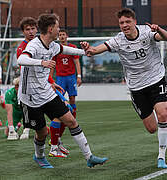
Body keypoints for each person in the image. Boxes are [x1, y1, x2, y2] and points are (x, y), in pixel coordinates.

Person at [84, 8, 167, 169]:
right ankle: (153, 110)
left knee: (163, 112)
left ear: (134, 21)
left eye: (127, 22)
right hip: (136, 87)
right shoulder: (118, 40)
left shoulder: (147, 32)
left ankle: (161, 156)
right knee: (152, 129)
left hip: (156, 79)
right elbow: (97, 49)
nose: (124, 25)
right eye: (121, 23)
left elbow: (165, 37)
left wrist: (158, 29)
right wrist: (89, 49)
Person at [17, 13, 108, 168]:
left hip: (46, 93)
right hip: (30, 98)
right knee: (42, 133)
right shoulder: (33, 45)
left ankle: (89, 157)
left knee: (71, 120)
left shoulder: (53, 45)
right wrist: (42, 62)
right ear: (51, 29)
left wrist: (86, 51)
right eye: (58, 27)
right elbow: (21, 60)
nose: (59, 30)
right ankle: (39, 157)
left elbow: (68, 51)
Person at [48, 29, 82, 158]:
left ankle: (72, 119)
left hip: (71, 77)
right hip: (60, 78)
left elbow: (76, 61)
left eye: (63, 35)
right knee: (61, 101)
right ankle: (64, 119)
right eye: (60, 35)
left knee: (72, 99)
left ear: (67, 36)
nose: (62, 36)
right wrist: (50, 79)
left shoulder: (72, 48)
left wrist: (78, 76)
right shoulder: (56, 49)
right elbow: (52, 65)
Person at [14, 17, 39, 138]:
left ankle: (42, 127)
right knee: (25, 105)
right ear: (23, 32)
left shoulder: (41, 44)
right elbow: (22, 66)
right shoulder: (21, 48)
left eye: (33, 29)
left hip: (40, 81)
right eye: (27, 29)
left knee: (42, 105)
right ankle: (27, 128)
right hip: (27, 81)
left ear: (37, 29)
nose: (30, 32)